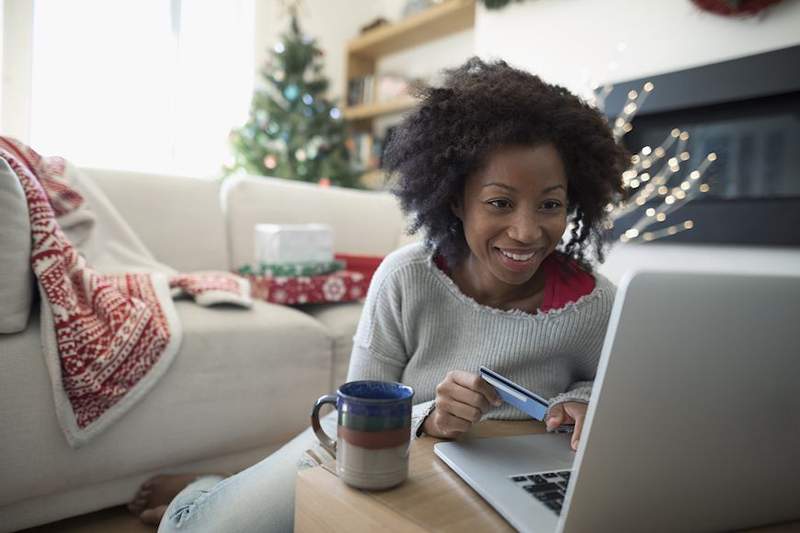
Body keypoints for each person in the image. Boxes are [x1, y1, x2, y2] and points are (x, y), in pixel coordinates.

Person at [128, 57, 629, 532]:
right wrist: (430, 415)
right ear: (456, 199)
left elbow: (604, 390)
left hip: (505, 480)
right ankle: (202, 489)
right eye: (499, 202)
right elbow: (354, 414)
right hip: (382, 451)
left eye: (550, 205)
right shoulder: (406, 277)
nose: (526, 231)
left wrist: (579, 402)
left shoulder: (596, 303)